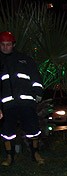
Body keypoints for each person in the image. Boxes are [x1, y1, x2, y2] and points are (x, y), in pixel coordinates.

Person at [0, 31, 45, 166]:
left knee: (33, 129)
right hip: (7, 105)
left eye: (8, 44)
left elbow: (36, 77)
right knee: (7, 132)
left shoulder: (25, 59)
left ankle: (35, 153)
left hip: (26, 102)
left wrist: (37, 93)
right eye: (3, 44)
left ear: (13, 44)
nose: (5, 47)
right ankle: (9, 156)